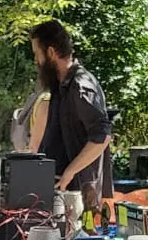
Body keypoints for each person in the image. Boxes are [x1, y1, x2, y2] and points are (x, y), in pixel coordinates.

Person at [29, 19, 113, 210]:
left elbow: (102, 136)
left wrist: (70, 171)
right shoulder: (60, 84)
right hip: (60, 190)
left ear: (51, 53)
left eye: (37, 54)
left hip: (78, 196)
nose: (36, 61)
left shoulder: (81, 86)